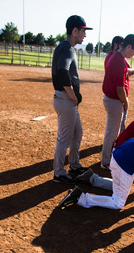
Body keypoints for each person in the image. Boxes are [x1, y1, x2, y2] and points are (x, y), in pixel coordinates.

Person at [58, 132, 134, 211]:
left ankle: (91, 178)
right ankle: (81, 198)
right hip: (123, 165)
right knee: (118, 203)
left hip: (119, 155)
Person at [51, 15, 93, 184]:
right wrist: (73, 95)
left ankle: (74, 164)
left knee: (77, 132)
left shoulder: (65, 47)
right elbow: (62, 71)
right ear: (74, 30)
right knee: (64, 138)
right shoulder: (67, 49)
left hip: (66, 100)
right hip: (65, 100)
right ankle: (59, 173)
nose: (85, 35)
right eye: (83, 31)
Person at [100, 34, 134, 170]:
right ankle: (106, 161)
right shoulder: (118, 60)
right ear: (129, 47)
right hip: (115, 100)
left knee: (116, 131)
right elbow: (119, 89)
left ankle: (111, 157)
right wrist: (126, 102)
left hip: (114, 99)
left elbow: (130, 72)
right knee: (112, 132)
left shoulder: (119, 58)